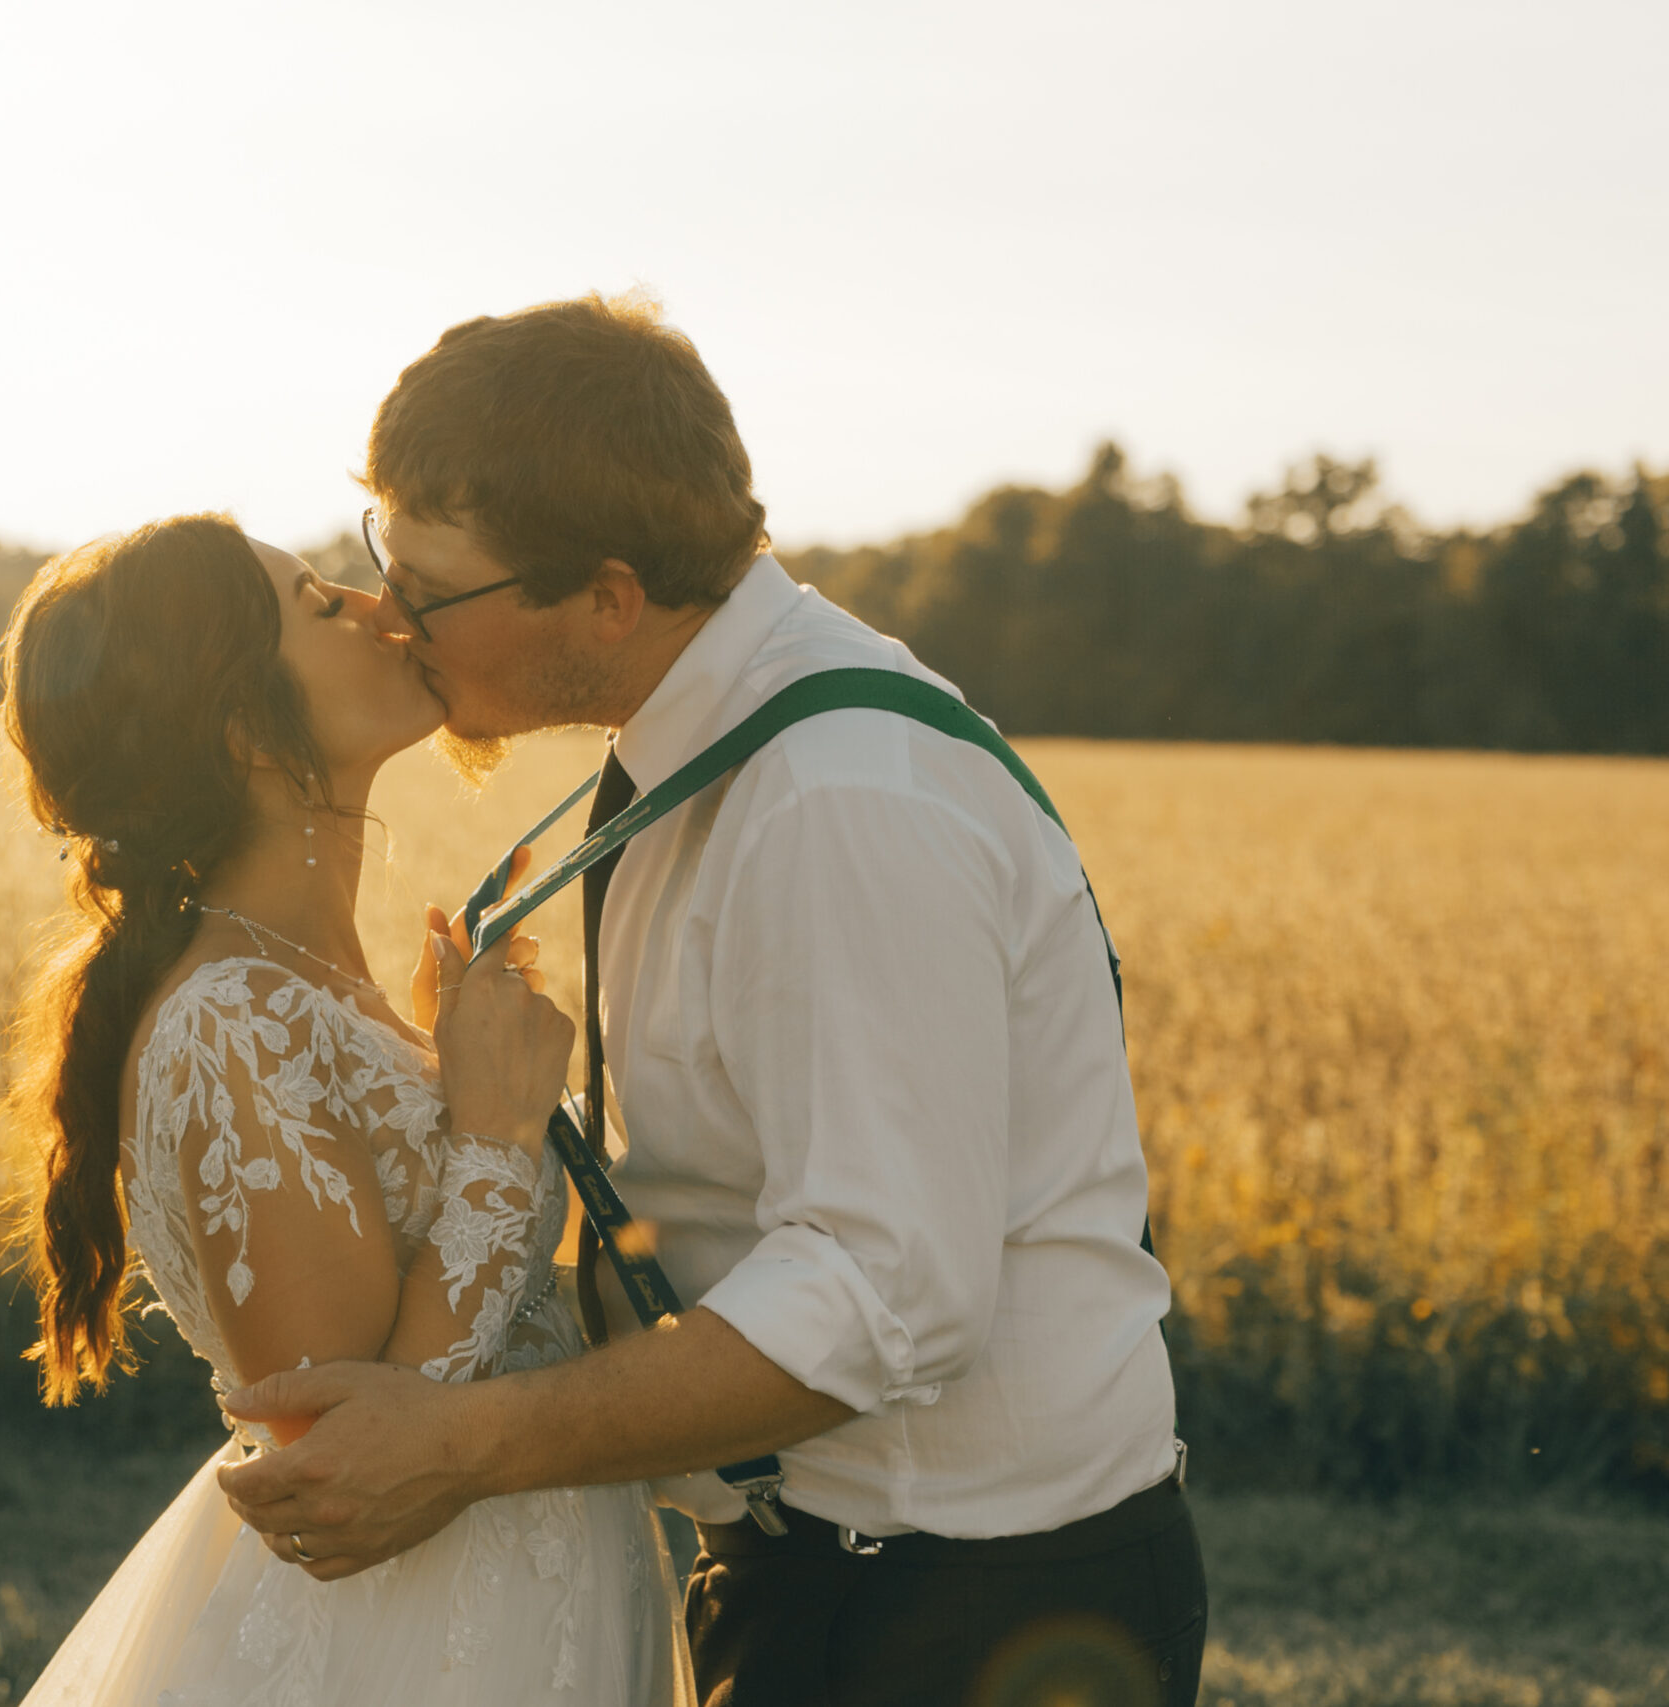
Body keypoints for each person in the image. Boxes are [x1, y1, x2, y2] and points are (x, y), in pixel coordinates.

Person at [214, 294, 1211, 1707]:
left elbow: (884, 1293)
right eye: (381, 559)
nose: (389, 613)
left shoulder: (834, 796)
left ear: (609, 596)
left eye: (430, 586)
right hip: (835, 1567)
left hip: (970, 1609)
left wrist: (463, 1439)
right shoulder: (712, 729)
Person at [0, 513, 694, 1705]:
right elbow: (347, 1452)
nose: (383, 608)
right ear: (238, 727)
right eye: (322, 602)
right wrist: (493, 1129)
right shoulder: (225, 1023)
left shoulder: (313, 986)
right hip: (414, 1641)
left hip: (533, 1589)